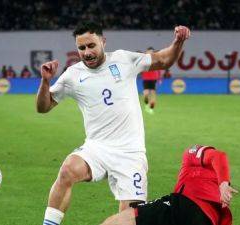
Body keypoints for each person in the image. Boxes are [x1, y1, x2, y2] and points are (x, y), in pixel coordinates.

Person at [36, 21, 190, 225]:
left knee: (128, 218)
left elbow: (163, 59)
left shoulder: (123, 59)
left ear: (103, 41)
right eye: (81, 48)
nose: (87, 52)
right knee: (67, 170)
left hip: (130, 153)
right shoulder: (73, 75)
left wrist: (178, 42)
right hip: (97, 148)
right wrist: (45, 82)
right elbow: (43, 107)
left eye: (91, 45)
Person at [100, 145, 238, 225]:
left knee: (123, 219)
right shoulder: (218, 187)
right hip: (208, 220)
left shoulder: (192, 154)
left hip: (186, 205)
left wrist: (223, 184)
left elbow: (219, 156)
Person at [141, 47, 163, 114]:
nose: (150, 53)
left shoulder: (156, 60)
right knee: (146, 94)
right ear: (146, 52)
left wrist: (159, 79)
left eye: (151, 52)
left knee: (153, 95)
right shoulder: (143, 60)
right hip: (146, 79)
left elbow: (159, 70)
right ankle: (147, 105)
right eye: (149, 52)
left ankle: (151, 109)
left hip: (154, 79)